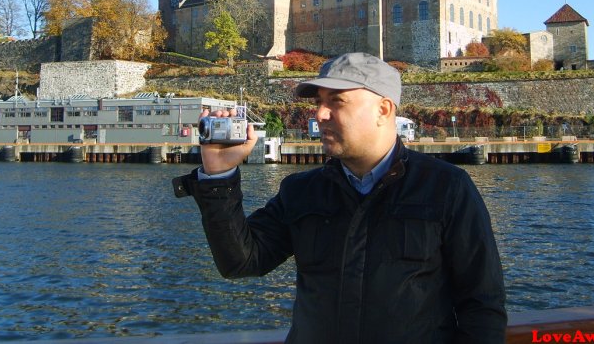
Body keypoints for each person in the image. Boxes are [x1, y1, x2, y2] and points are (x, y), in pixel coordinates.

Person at [176, 52, 507, 343]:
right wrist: (218, 175)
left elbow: (482, 307)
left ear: (383, 109)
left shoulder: (447, 188)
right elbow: (242, 262)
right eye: (319, 102)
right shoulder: (301, 191)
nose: (319, 114)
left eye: (336, 101)